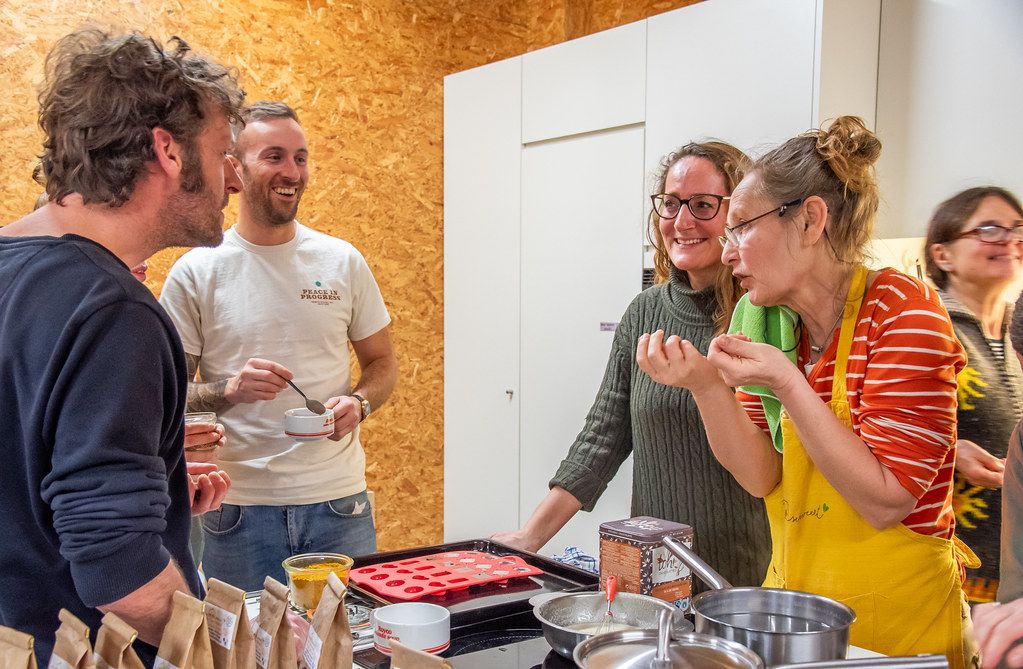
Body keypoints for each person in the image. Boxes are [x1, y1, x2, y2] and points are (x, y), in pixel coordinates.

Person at [637, 116, 976, 665]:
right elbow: (762, 475)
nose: (727, 254)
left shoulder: (902, 312)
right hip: (797, 617)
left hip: (900, 631)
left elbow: (885, 500)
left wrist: (786, 382)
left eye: (741, 227)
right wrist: (704, 384)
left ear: (810, 221)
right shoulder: (766, 320)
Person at [0, 29, 242, 664]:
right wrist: (237, 652)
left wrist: (150, 481)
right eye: (223, 154)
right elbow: (119, 568)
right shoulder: (114, 313)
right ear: (167, 150)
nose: (233, 181)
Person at [492, 141, 772, 589]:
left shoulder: (762, 313)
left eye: (703, 205)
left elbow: (773, 464)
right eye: (671, 204)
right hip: (653, 574)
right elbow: (603, 435)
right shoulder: (643, 313)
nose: (682, 222)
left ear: (737, 215)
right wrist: (531, 536)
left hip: (742, 579)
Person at [160, 101, 398, 592]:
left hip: (339, 505)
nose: (292, 172)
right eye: (274, 156)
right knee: (249, 654)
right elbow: (167, 392)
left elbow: (381, 363)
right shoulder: (197, 271)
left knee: (348, 649)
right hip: (239, 510)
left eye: (301, 157)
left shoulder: (342, 261)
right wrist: (231, 390)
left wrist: (360, 402)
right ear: (235, 167)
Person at [926, 187, 1023, 604]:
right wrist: (950, 452)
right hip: (955, 571)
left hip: (1011, 570)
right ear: (942, 255)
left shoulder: (1015, 333)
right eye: (987, 229)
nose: (1007, 240)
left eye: (1016, 228)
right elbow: (870, 426)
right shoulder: (928, 326)